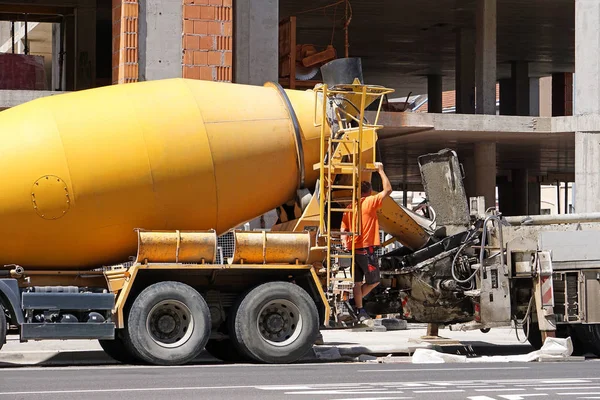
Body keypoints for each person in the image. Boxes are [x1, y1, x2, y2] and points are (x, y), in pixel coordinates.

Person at [340, 162, 393, 322]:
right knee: (374, 280)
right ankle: (353, 304)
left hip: (354, 250)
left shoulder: (350, 207)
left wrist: (345, 243)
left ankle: (359, 308)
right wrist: (381, 171)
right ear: (369, 192)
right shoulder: (370, 202)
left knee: (357, 282)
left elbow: (343, 230)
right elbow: (388, 190)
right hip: (366, 249)